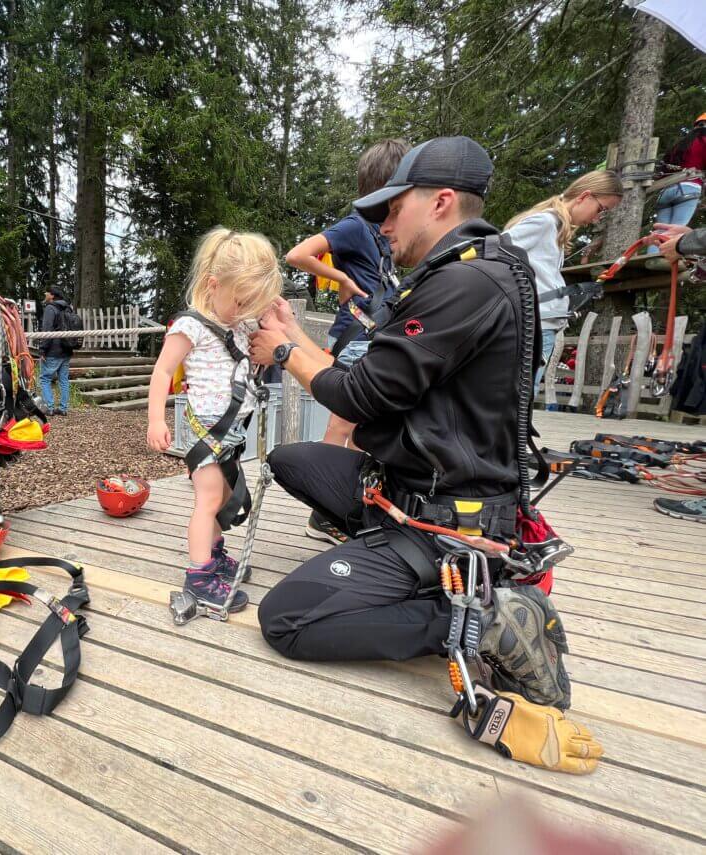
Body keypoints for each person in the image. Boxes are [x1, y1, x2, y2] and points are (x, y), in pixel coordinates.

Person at [246, 137, 593, 774]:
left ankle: (473, 618)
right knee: (294, 460)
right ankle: (387, 550)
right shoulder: (472, 270)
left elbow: (362, 396)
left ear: (438, 201)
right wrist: (294, 331)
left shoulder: (464, 283)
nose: (381, 223)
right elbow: (379, 379)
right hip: (407, 481)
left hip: (447, 518)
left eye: (392, 207)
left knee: (286, 618)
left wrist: (282, 352)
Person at [146, 228, 283, 612]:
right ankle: (199, 574)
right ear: (213, 285)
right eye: (240, 301)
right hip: (208, 427)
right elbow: (162, 372)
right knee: (207, 500)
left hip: (232, 430)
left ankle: (214, 551)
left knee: (222, 497)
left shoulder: (237, 325)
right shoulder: (191, 326)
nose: (244, 312)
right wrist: (157, 420)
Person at [284, 138, 408, 539]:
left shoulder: (381, 234)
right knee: (343, 424)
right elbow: (297, 254)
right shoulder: (356, 225)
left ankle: (343, 504)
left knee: (359, 426)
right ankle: (326, 511)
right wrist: (343, 278)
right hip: (358, 331)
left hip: (376, 331)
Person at [504, 170, 623, 390]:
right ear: (585, 196)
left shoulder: (555, 228)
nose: (597, 218)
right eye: (600, 209)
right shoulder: (545, 222)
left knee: (520, 400)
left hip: (541, 324)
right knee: (517, 400)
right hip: (534, 326)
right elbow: (497, 252)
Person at [652, 113, 706, 234]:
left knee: (660, 232)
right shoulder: (704, 141)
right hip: (689, 188)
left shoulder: (679, 145)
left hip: (666, 191)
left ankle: (653, 251)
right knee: (675, 232)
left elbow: (663, 170)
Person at [38, 286, 75, 415]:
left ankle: (50, 407)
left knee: (45, 378)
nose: (45, 293)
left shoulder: (50, 308)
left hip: (53, 350)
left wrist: (42, 350)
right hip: (66, 349)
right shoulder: (68, 308)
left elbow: (47, 331)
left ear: (52, 295)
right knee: (63, 379)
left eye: (47, 292)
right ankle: (64, 408)